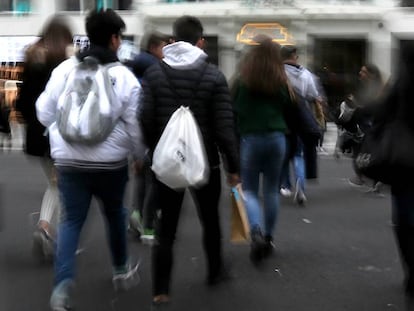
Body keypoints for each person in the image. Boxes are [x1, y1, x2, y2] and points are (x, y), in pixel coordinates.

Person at [35, 9, 144, 310]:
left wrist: (62, 133)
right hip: (111, 164)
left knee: (71, 222)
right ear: (113, 39)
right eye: (119, 38)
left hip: (69, 161)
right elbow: (135, 125)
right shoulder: (124, 77)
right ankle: (121, 271)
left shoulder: (65, 70)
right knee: (114, 215)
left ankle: (61, 288)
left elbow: (43, 112)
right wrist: (138, 155)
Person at [139, 15, 240, 308]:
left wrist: (156, 148)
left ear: (173, 40)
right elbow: (224, 127)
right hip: (205, 163)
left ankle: (161, 289)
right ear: (201, 41)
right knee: (210, 220)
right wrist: (233, 166)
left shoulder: (155, 74)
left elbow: (144, 119)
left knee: (165, 228)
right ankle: (215, 272)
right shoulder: (213, 76)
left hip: (167, 163)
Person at [15, 14, 74, 261]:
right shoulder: (63, 64)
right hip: (59, 135)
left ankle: (47, 230)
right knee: (61, 188)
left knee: (55, 185)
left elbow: (22, 103)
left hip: (37, 138)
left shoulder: (31, 60)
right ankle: (47, 230)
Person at [232, 36, 294, 264]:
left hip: (251, 139)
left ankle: (255, 231)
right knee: (270, 190)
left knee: (249, 190)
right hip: (277, 138)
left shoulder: (243, 80)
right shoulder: (280, 80)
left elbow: (234, 108)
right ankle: (268, 237)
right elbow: (289, 105)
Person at [126, 30, 169, 244]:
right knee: (154, 180)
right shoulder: (156, 69)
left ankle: (136, 215)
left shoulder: (134, 67)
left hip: (136, 133)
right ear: (153, 47)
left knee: (141, 177)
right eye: (163, 47)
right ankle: (148, 223)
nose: (165, 52)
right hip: (151, 133)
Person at [280, 45, 322, 205]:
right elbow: (313, 95)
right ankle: (301, 184)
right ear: (294, 56)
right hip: (300, 117)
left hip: (282, 117)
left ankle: (285, 185)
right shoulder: (305, 74)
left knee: (283, 153)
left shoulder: (277, 72)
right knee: (298, 154)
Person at [345, 63, 384, 190]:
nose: (360, 74)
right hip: (362, 124)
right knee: (360, 150)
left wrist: (357, 105)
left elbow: (372, 107)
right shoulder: (363, 87)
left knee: (368, 152)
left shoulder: (377, 89)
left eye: (363, 72)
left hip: (373, 125)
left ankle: (373, 179)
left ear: (371, 75)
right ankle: (365, 178)